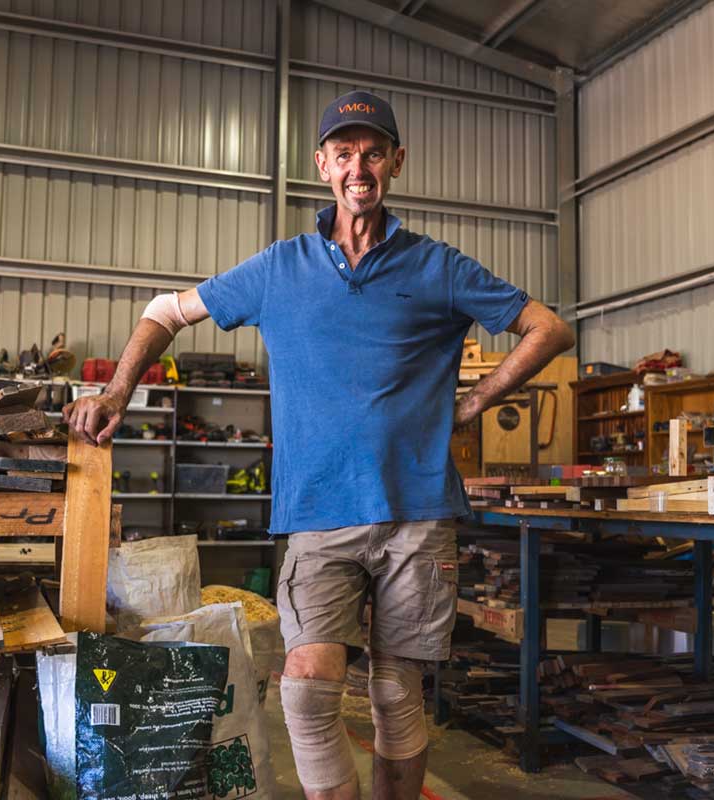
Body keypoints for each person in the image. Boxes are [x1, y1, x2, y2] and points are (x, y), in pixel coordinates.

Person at [66, 90, 575, 800]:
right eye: (343, 153)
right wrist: (117, 392)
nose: (357, 167)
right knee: (305, 688)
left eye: (372, 152)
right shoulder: (280, 268)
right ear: (322, 166)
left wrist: (475, 403)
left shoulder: (438, 267)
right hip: (316, 511)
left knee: (396, 694)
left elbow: (548, 328)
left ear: (396, 161)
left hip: (416, 508)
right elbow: (162, 313)